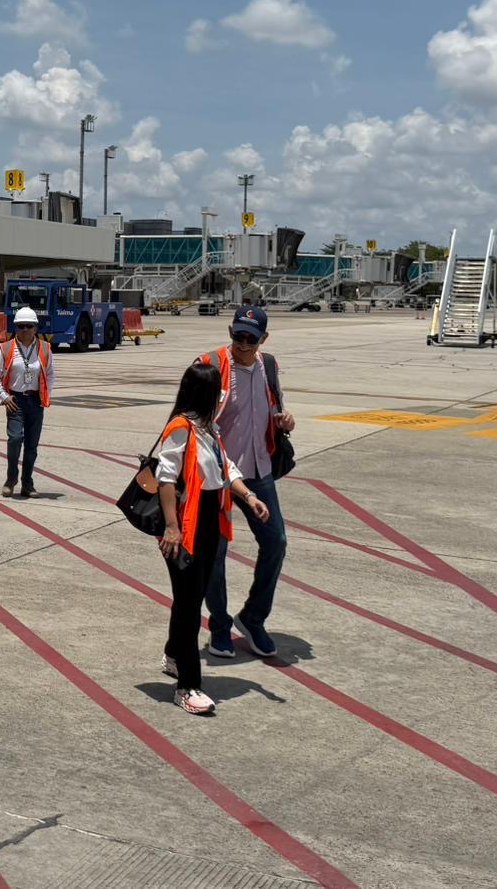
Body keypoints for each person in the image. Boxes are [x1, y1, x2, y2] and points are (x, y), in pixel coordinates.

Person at [156, 362, 269, 715]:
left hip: (210, 522)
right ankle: (187, 687)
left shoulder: (208, 428)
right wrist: (172, 527)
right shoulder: (180, 428)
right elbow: (165, 479)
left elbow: (226, 469)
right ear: (205, 394)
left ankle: (174, 655)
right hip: (185, 525)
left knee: (189, 598)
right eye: (217, 391)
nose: (222, 397)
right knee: (190, 605)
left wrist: (249, 496)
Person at [198, 306, 296, 659]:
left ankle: (253, 617)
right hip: (219, 476)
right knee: (216, 553)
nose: (242, 344)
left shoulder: (268, 366)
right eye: (237, 336)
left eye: (250, 339)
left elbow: (272, 409)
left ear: (263, 339)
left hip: (258, 469)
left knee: (276, 542)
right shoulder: (210, 365)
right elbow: (193, 420)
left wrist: (285, 420)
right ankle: (219, 627)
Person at [0, 306, 54, 498]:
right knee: (15, 438)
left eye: (29, 326)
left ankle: (27, 484)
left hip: (35, 401)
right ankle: (11, 480)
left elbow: (50, 374)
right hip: (15, 400)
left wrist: (45, 394)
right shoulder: (6, 348)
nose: (25, 330)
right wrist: (4, 396)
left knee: (32, 445)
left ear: (36, 328)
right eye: (20, 326)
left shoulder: (45, 348)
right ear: (15, 328)